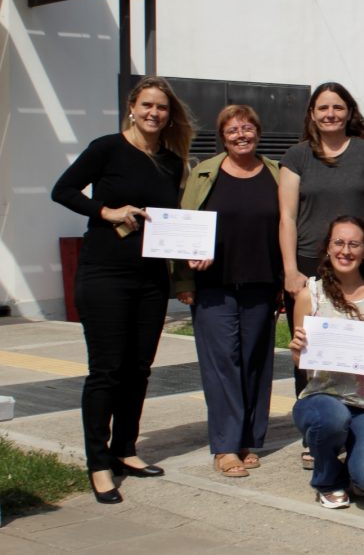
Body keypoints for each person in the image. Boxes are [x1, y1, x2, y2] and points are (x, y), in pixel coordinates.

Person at [51, 76, 194, 504]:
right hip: (104, 274)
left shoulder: (171, 161)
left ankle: (125, 450)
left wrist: (191, 250)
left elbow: (173, 220)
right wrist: (106, 210)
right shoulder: (106, 148)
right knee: (106, 370)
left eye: (162, 108)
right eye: (147, 105)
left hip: (151, 279)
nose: (154, 113)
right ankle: (98, 463)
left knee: (139, 369)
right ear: (132, 106)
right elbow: (62, 190)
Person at [279, 82, 364, 467]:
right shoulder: (296, 157)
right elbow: (287, 216)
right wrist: (290, 270)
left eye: (338, 107)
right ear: (312, 113)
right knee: (311, 352)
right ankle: (318, 436)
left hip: (361, 265)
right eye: (323, 107)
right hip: (310, 267)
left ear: (349, 112)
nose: (330, 113)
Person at [174, 105, 281, 478]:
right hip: (213, 285)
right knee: (222, 365)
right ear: (222, 136)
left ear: (258, 132)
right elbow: (184, 227)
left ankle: (249, 437)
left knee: (255, 362)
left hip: (263, 282)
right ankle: (224, 445)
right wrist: (184, 279)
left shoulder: (276, 173)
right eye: (233, 130)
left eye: (247, 128)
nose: (241, 135)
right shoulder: (203, 173)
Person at [289, 216, 364, 508]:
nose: (345, 250)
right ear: (328, 247)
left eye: (354, 244)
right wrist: (297, 347)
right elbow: (300, 359)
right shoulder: (310, 294)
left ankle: (355, 456)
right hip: (323, 396)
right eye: (339, 242)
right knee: (331, 419)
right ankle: (327, 478)